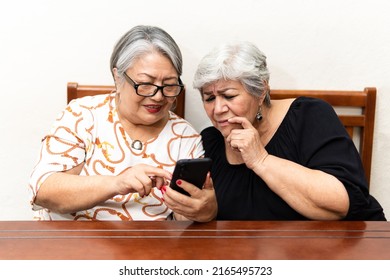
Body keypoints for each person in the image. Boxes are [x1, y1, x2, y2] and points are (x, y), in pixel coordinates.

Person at [28, 25, 213, 221]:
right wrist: (116, 183)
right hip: (74, 244)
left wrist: (201, 210)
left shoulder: (185, 136)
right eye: (146, 84)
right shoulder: (83, 115)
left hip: (150, 249)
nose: (158, 97)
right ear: (118, 77)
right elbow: (43, 191)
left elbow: (182, 222)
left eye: (169, 86)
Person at [191, 41, 386, 221]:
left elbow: (342, 203)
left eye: (229, 96)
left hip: (346, 245)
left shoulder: (309, 116)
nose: (217, 109)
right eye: (209, 98)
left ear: (260, 92)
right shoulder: (210, 142)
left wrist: (261, 160)